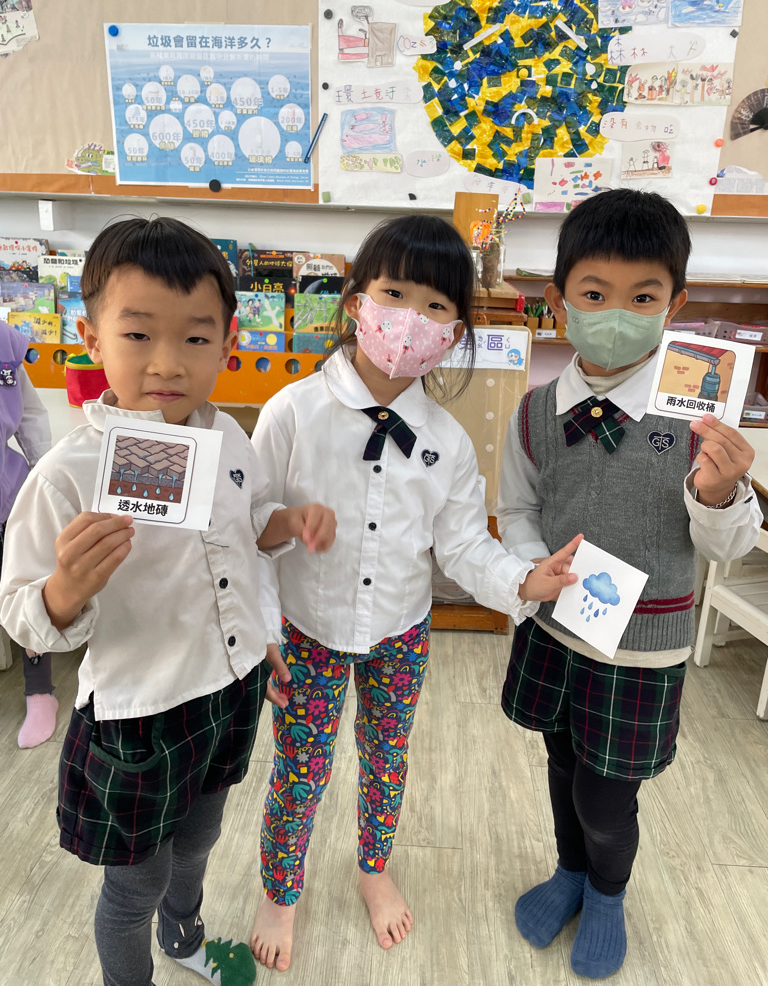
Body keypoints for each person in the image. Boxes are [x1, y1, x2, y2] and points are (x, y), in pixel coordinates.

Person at [0, 216, 335, 986]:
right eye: (138, 334)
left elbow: (244, 532)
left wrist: (285, 526)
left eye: (194, 337)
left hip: (226, 691)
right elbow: (19, 608)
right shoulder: (68, 474)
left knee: (201, 838)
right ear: (91, 337)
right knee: (133, 885)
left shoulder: (231, 442)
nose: (167, 362)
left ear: (227, 344)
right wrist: (64, 590)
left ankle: (185, 936)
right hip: (139, 713)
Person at [249, 214, 583, 972]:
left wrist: (522, 580)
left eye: (436, 305)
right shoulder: (292, 412)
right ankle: (280, 890)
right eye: (395, 293)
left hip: (401, 631)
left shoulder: (447, 441)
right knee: (299, 768)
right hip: (306, 628)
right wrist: (274, 577)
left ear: (454, 332)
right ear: (356, 302)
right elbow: (248, 530)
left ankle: (374, 868)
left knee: (387, 759)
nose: (411, 318)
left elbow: (462, 544)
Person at [497, 188, 762, 980]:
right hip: (557, 628)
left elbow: (728, 544)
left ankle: (607, 892)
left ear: (674, 304)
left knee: (609, 795)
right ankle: (568, 872)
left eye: (642, 297)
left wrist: (720, 493)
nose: (616, 313)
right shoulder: (534, 413)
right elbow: (518, 510)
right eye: (593, 294)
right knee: (561, 763)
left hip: (643, 648)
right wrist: (529, 573)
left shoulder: (699, 417)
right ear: (558, 303)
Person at [0, 319, 56, 748]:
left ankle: (39, 691)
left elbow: (32, 414)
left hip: (8, 494)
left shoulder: (4, 342)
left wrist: (45, 476)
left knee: (28, 589)